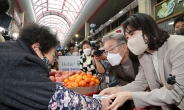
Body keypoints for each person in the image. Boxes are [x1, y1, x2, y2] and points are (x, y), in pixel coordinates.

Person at [0, 23, 110, 109]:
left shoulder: (9, 50)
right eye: (53, 55)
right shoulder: (20, 62)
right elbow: (59, 99)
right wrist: (100, 104)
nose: (52, 63)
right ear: (36, 48)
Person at [100, 13, 184, 110]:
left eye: (132, 34)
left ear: (148, 30)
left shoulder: (179, 46)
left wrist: (130, 95)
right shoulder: (143, 54)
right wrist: (116, 90)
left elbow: (175, 92)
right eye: (127, 37)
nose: (130, 41)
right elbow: (141, 82)